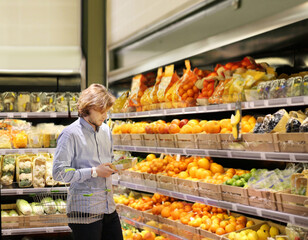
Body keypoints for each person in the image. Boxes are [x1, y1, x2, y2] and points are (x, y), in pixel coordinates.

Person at [52, 84, 123, 240]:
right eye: (101, 111)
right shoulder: (70, 134)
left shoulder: (105, 130)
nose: (105, 115)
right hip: (84, 211)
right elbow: (59, 173)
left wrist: (116, 164)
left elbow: (108, 159)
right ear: (88, 107)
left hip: (108, 207)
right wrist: (94, 171)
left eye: (107, 111)